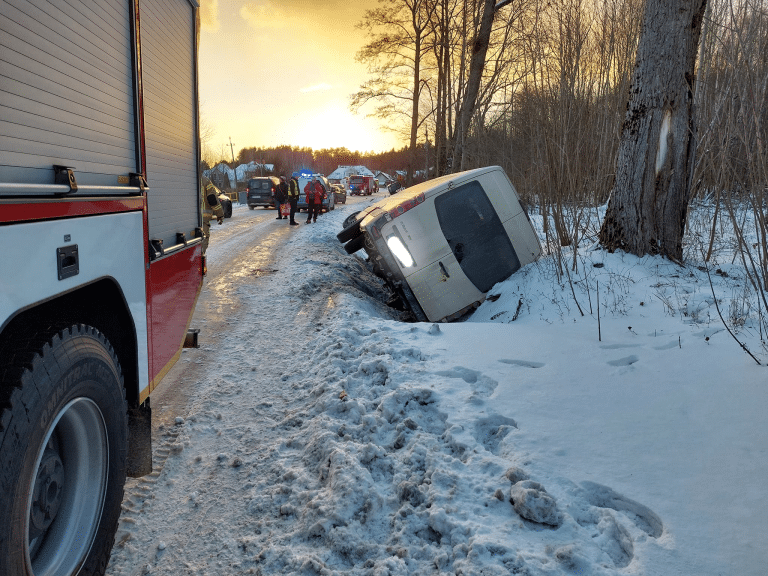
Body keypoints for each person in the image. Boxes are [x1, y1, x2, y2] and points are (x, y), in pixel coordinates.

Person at [201, 178, 224, 253]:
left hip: (186, 219)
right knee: (203, 240)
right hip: (203, 219)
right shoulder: (205, 181)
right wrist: (220, 214)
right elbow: (212, 199)